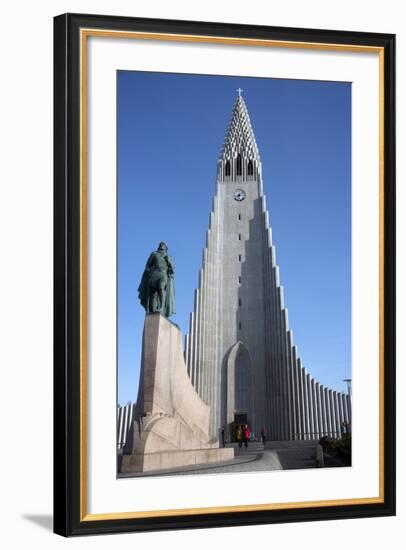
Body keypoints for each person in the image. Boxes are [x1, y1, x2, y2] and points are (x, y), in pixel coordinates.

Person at [138, 242, 175, 317]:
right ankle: (152, 310)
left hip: (163, 275)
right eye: (161, 244)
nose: (162, 245)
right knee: (153, 294)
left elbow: (172, 270)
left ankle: (161, 308)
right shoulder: (154, 254)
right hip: (154, 275)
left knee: (161, 288)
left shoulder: (168, 256)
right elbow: (147, 266)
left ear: (166, 248)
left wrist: (169, 262)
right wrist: (150, 272)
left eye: (163, 245)